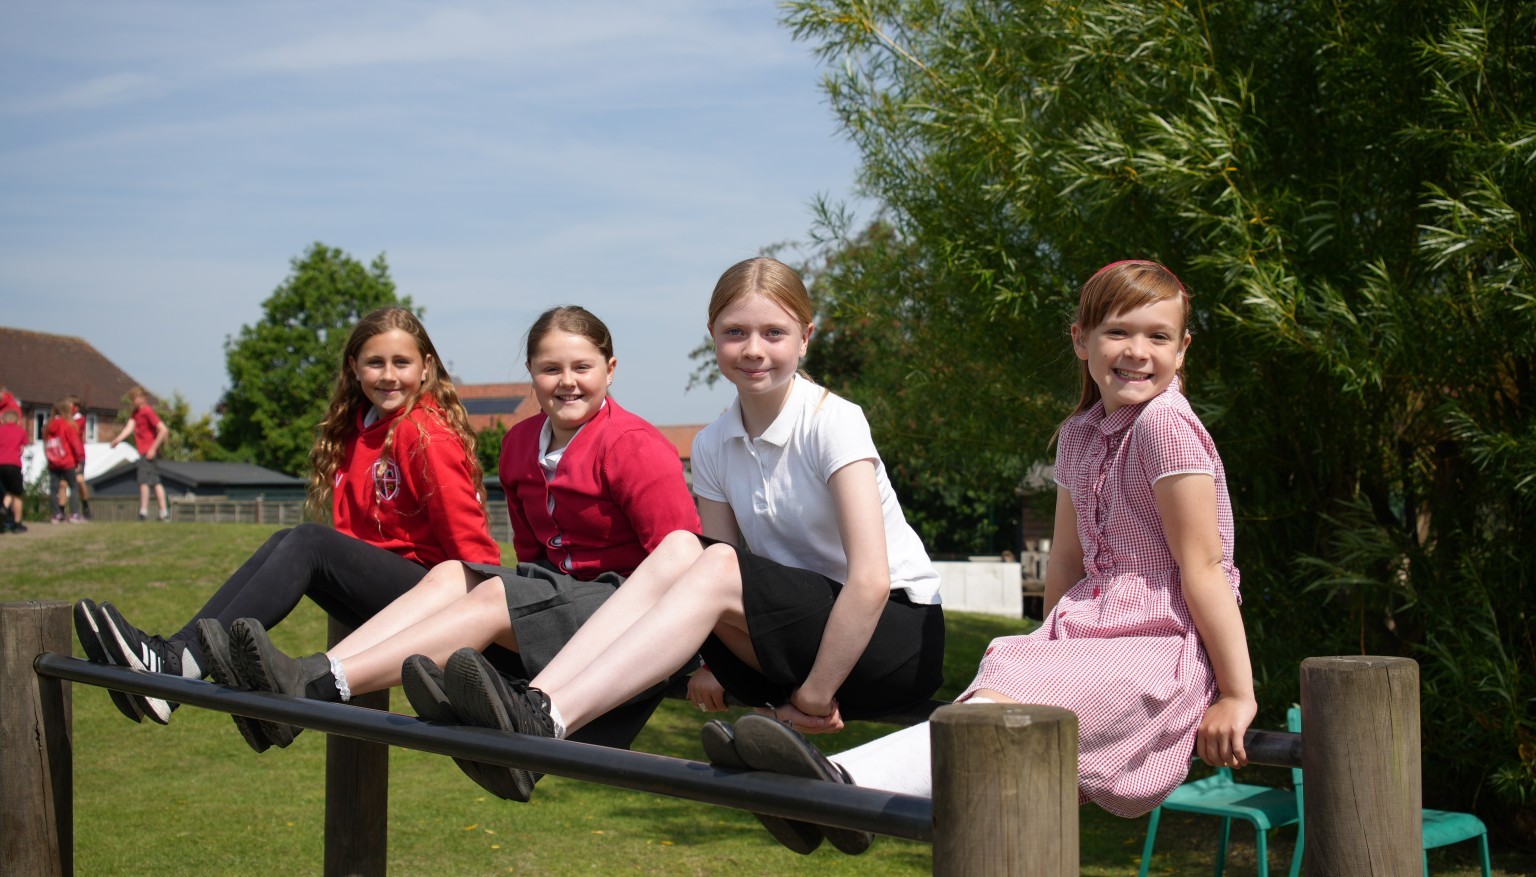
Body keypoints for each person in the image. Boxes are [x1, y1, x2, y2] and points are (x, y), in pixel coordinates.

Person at [708, 259, 1256, 855]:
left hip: (1159, 641)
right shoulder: (1081, 432)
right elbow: (1067, 565)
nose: (1136, 351)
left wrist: (1236, 693)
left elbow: (1202, 568)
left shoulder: (1165, 426)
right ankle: (830, 790)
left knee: (996, 720)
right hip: (1087, 631)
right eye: (1117, 332)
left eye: (1158, 336)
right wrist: (1049, 644)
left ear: (1183, 350)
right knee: (996, 700)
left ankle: (837, 788)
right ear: (1081, 339)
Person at [391, 257, 945, 824]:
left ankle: (545, 720)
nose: (754, 349)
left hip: (889, 637)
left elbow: (872, 581)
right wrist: (715, 661)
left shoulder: (833, 421)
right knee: (684, 548)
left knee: (701, 557)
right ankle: (538, 706)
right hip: (795, 638)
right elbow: (727, 573)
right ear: (713, 339)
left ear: (805, 337)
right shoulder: (712, 445)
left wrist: (814, 697)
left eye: (773, 332)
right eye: (735, 332)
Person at [221, 306, 700, 798]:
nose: (567, 382)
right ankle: (308, 681)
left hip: (627, 609)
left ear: (610, 369)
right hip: (564, 599)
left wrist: (703, 664)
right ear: (532, 374)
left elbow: (683, 561)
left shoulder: (635, 444)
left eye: (582, 368)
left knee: (493, 594)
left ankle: (317, 687)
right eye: (550, 369)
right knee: (454, 574)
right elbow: (533, 555)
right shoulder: (518, 444)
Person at [72, 307, 500, 741]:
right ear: (353, 368)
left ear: (426, 366)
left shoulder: (425, 433)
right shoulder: (359, 431)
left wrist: (492, 630)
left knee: (310, 542)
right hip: (389, 596)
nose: (388, 375)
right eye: (375, 362)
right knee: (288, 538)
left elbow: (472, 545)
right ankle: (175, 659)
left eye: (401, 363)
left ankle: (176, 664)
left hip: (433, 600)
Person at [109, 386, 170, 522]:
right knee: (154, 482)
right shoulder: (135, 413)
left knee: (144, 482)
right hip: (143, 451)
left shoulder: (147, 411)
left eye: (134, 398)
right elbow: (129, 427)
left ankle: (144, 511)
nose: (133, 401)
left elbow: (163, 430)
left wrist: (153, 448)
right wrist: (118, 439)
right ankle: (163, 512)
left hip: (147, 452)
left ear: (142, 398)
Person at [44, 398, 86, 523]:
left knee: (53, 489)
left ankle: (56, 515)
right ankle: (74, 514)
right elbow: (75, 443)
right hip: (67, 461)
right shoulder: (68, 424)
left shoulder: (47, 426)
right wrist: (79, 459)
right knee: (73, 486)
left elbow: (45, 444)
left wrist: (49, 459)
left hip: (53, 461)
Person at [0, 407, 27, 533]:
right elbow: (21, 449)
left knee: (4, 492)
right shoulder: (21, 432)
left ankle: (3, 514)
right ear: (17, 420)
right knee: (16, 494)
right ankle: (17, 524)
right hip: (14, 465)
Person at [65, 395, 92, 520]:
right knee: (64, 484)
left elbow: (74, 430)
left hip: (78, 454)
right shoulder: (62, 418)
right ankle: (64, 511)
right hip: (65, 455)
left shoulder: (79, 419)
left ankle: (85, 505)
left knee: (80, 481)